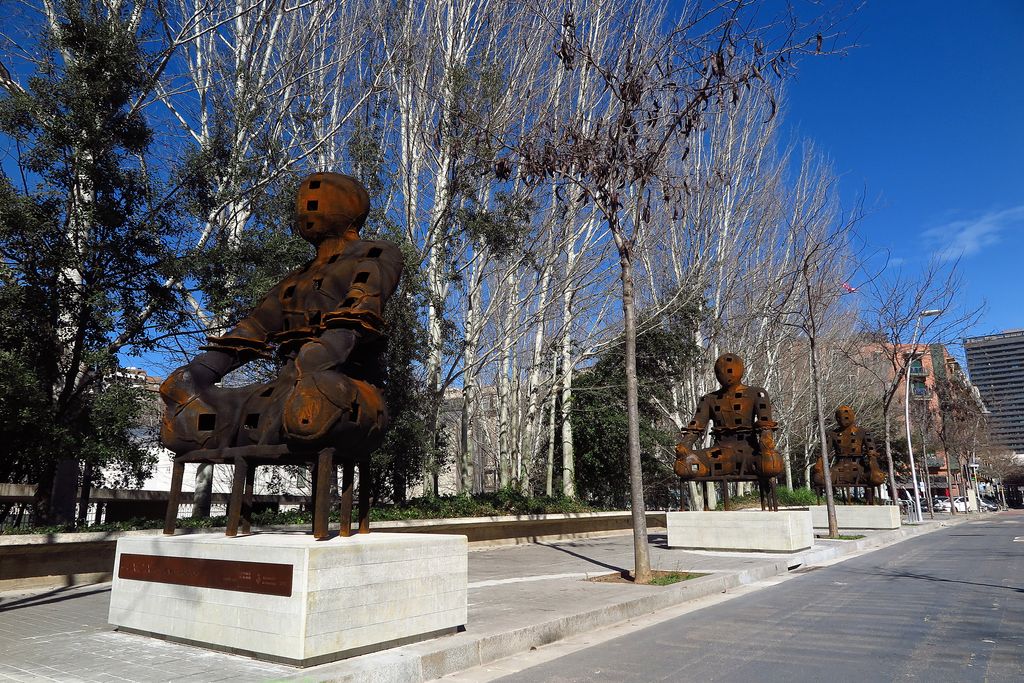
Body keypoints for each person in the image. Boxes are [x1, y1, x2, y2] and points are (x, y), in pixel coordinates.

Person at [160, 172, 403, 459]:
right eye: (304, 201)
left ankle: (310, 408)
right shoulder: (296, 280)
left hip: (347, 381)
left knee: (317, 402)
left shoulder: (375, 253)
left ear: (353, 206)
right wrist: (198, 373)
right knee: (188, 421)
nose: (308, 207)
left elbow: (361, 304)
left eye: (317, 199)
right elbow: (254, 328)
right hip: (285, 388)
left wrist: (321, 353)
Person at [674, 353, 782, 482]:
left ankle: (763, 461)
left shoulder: (757, 393)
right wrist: (684, 446)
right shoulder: (708, 399)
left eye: (731, 369)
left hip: (750, 451)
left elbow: (765, 424)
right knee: (684, 466)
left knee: (771, 464)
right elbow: (696, 427)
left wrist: (766, 443)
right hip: (719, 453)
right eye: (722, 370)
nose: (726, 373)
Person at [813, 405, 886, 504]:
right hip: (839, 468)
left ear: (853, 416)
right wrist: (820, 463)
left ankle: (870, 500)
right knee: (819, 478)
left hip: (859, 468)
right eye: (840, 417)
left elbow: (872, 451)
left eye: (847, 416)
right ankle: (831, 500)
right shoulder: (832, 434)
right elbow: (824, 452)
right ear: (837, 419)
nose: (843, 419)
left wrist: (873, 465)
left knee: (876, 477)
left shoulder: (863, 432)